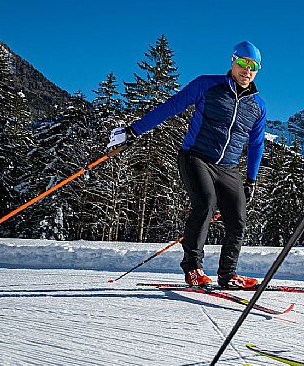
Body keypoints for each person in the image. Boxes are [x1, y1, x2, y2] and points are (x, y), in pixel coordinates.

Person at [107, 41, 268, 290]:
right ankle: (193, 268)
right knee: (205, 203)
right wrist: (134, 131)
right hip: (196, 157)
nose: (248, 70)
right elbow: (171, 107)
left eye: (254, 66)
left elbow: (257, 144)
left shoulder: (258, 106)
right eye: (244, 63)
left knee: (238, 219)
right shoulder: (207, 85)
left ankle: (228, 275)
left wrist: (251, 179)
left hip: (229, 168)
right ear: (233, 61)